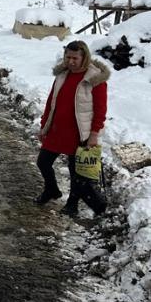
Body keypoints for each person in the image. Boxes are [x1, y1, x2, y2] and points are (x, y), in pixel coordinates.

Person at [35, 40, 111, 217]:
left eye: (75, 58)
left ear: (84, 57)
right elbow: (51, 103)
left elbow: (100, 110)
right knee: (43, 162)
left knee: (76, 171)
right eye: (68, 57)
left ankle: (72, 204)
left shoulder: (95, 78)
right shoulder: (62, 75)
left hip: (79, 132)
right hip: (57, 129)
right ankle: (51, 190)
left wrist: (93, 134)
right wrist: (44, 126)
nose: (71, 61)